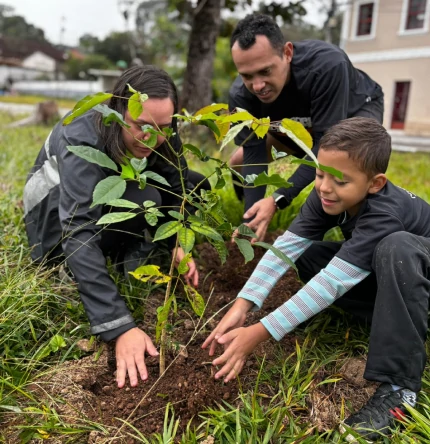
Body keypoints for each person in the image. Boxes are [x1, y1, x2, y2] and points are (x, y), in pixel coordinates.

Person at [203, 117, 430, 441]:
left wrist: (258, 332)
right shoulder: (328, 195)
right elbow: (286, 248)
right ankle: (389, 320)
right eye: (321, 173)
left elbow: (331, 283)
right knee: (311, 255)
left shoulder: (385, 211)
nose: (324, 186)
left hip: (420, 276)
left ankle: (399, 389)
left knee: (396, 247)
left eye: (339, 180)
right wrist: (244, 304)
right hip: (397, 280)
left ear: (375, 183)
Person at [24, 65, 210, 389]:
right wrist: (120, 327)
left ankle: (133, 251)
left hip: (99, 198)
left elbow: (176, 182)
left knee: (197, 184)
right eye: (141, 126)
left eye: (164, 127)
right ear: (118, 112)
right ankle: (70, 270)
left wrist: (179, 243)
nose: (153, 138)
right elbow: (77, 228)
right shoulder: (81, 133)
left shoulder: (160, 126)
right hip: (52, 221)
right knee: (145, 198)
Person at [228, 14, 384, 243]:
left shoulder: (327, 66)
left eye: (265, 71)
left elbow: (327, 144)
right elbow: (254, 152)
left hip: (352, 113)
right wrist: (253, 215)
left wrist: (278, 198)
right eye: (247, 76)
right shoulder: (241, 96)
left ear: (288, 53)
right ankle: (251, 217)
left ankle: (359, 238)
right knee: (237, 162)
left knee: (346, 170)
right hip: (298, 127)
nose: (258, 86)